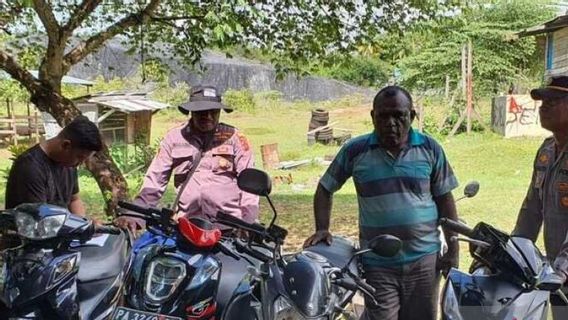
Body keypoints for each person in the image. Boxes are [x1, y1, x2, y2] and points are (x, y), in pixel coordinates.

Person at [303, 86, 460, 320]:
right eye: (383, 116)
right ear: (372, 116)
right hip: (378, 264)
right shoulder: (355, 150)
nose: (391, 123)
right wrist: (322, 228)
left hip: (424, 261)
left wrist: (453, 249)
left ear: (412, 116)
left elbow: (446, 200)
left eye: (399, 115)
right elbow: (325, 188)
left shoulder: (430, 148)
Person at [115, 85, 259, 232]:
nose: (208, 116)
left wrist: (248, 224)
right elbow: (154, 182)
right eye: (202, 111)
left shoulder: (234, 138)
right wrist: (133, 216)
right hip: (186, 226)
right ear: (192, 111)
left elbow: (251, 186)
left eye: (214, 112)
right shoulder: (174, 138)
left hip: (227, 228)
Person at [512, 76, 568, 318]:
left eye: (553, 100)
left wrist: (563, 269)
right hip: (557, 275)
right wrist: (513, 251)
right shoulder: (546, 151)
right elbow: (531, 210)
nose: (543, 106)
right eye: (542, 100)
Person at [5, 115, 102, 216]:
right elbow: (39, 218)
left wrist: (83, 224)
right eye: (80, 157)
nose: (81, 163)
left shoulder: (69, 163)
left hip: (58, 227)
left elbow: (74, 200)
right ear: (66, 145)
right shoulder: (29, 167)